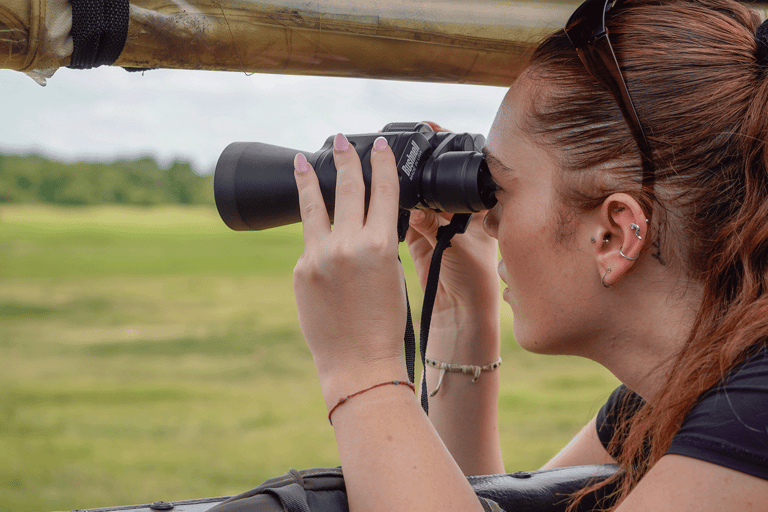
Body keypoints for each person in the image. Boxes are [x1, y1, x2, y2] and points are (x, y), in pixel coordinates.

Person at [290, 0, 768, 510]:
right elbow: (487, 503)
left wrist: (363, 372)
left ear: (613, 235)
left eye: (499, 189)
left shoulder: (752, 415)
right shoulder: (683, 390)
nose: (488, 219)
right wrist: (463, 320)